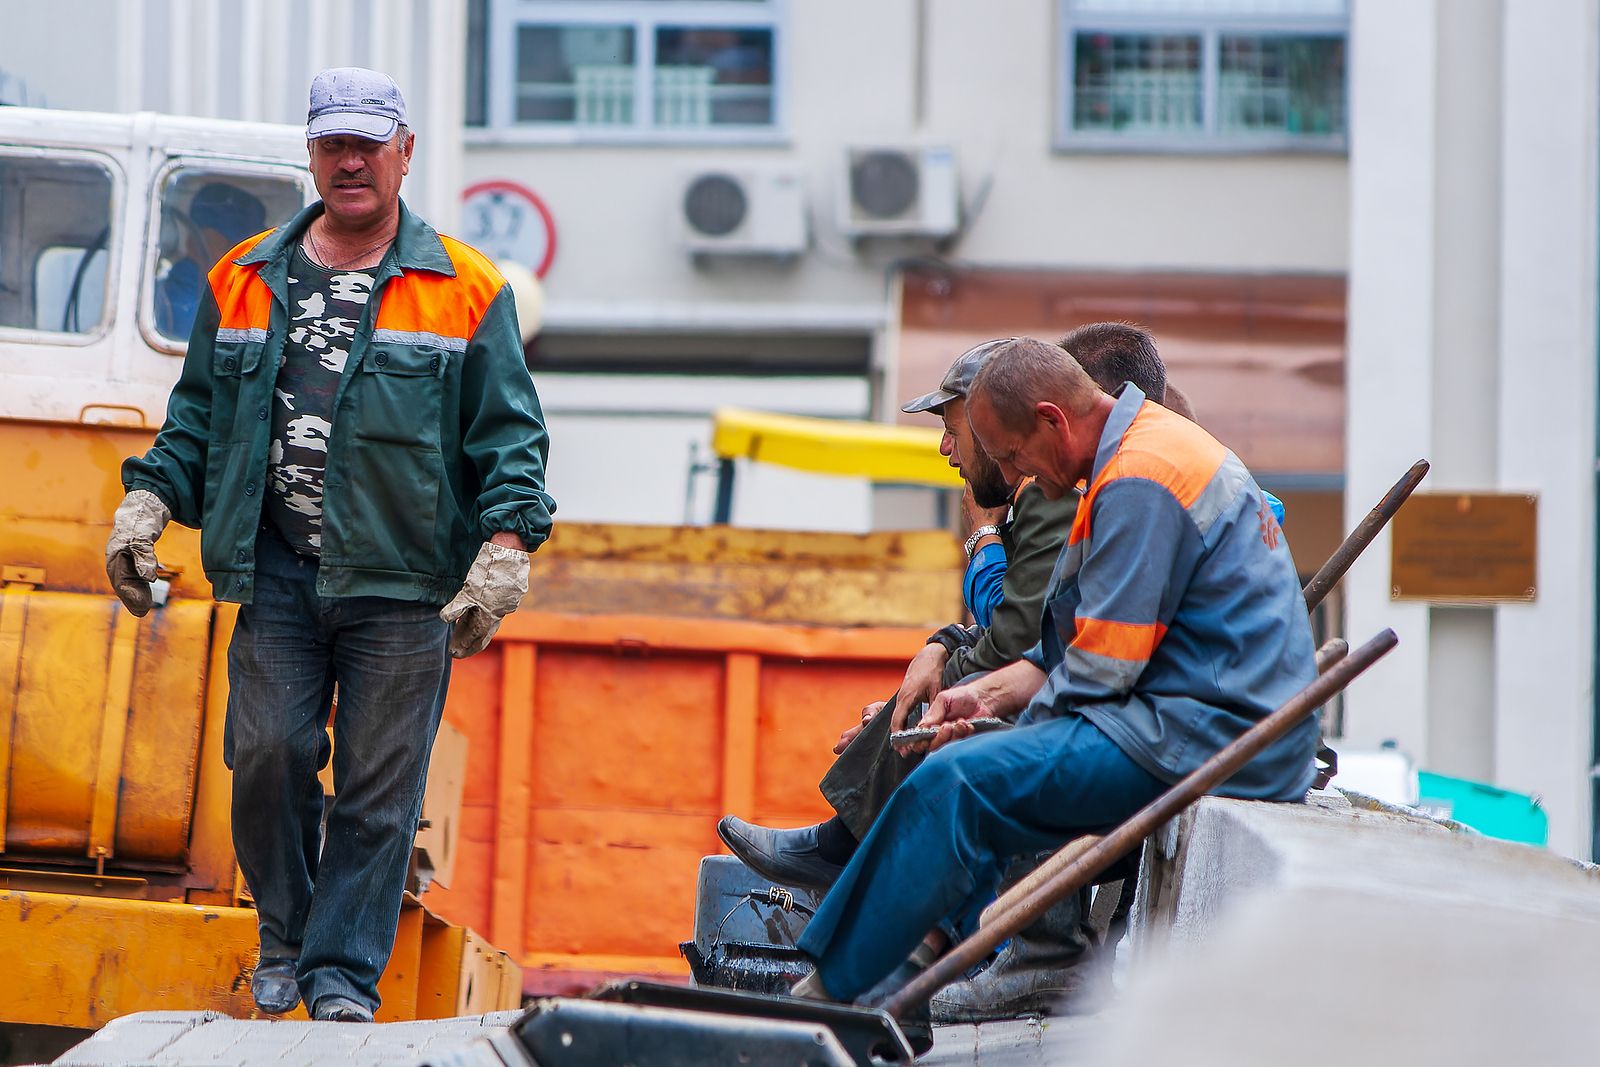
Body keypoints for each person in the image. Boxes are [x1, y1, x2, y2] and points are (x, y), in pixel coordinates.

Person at [104, 67, 555, 1023]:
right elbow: (197, 419)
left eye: (367, 143)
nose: (350, 162)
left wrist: (506, 548)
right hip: (275, 569)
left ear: (404, 151)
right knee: (266, 751)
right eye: (331, 145)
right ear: (310, 153)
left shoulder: (465, 287)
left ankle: (340, 976)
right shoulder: (245, 276)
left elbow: (509, 436)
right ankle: (287, 935)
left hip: (406, 580)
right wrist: (146, 503)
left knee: (378, 793)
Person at [789, 336, 1317, 1020]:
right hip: (1194, 715)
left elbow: (1098, 675)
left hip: (1219, 737)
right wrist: (980, 695)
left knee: (959, 780)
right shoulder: (1135, 454)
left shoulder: (1140, 478)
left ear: (1052, 420)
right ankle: (895, 963)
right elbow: (1077, 646)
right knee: (969, 764)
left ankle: (830, 991)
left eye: (1012, 457)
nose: (1015, 477)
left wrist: (992, 733)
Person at [154, 181, 269, 340]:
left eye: (250, 246)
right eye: (230, 245)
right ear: (193, 241)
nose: (243, 256)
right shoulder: (183, 300)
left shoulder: (236, 295)